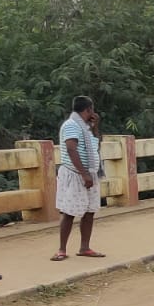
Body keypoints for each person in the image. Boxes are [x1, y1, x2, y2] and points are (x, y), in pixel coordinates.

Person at [53, 96, 103, 261]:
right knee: (69, 212)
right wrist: (84, 173)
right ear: (88, 110)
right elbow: (71, 149)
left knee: (89, 211)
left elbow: (96, 145)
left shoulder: (87, 127)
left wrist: (95, 127)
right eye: (92, 110)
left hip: (91, 173)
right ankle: (61, 249)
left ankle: (85, 247)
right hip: (76, 174)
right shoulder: (71, 125)